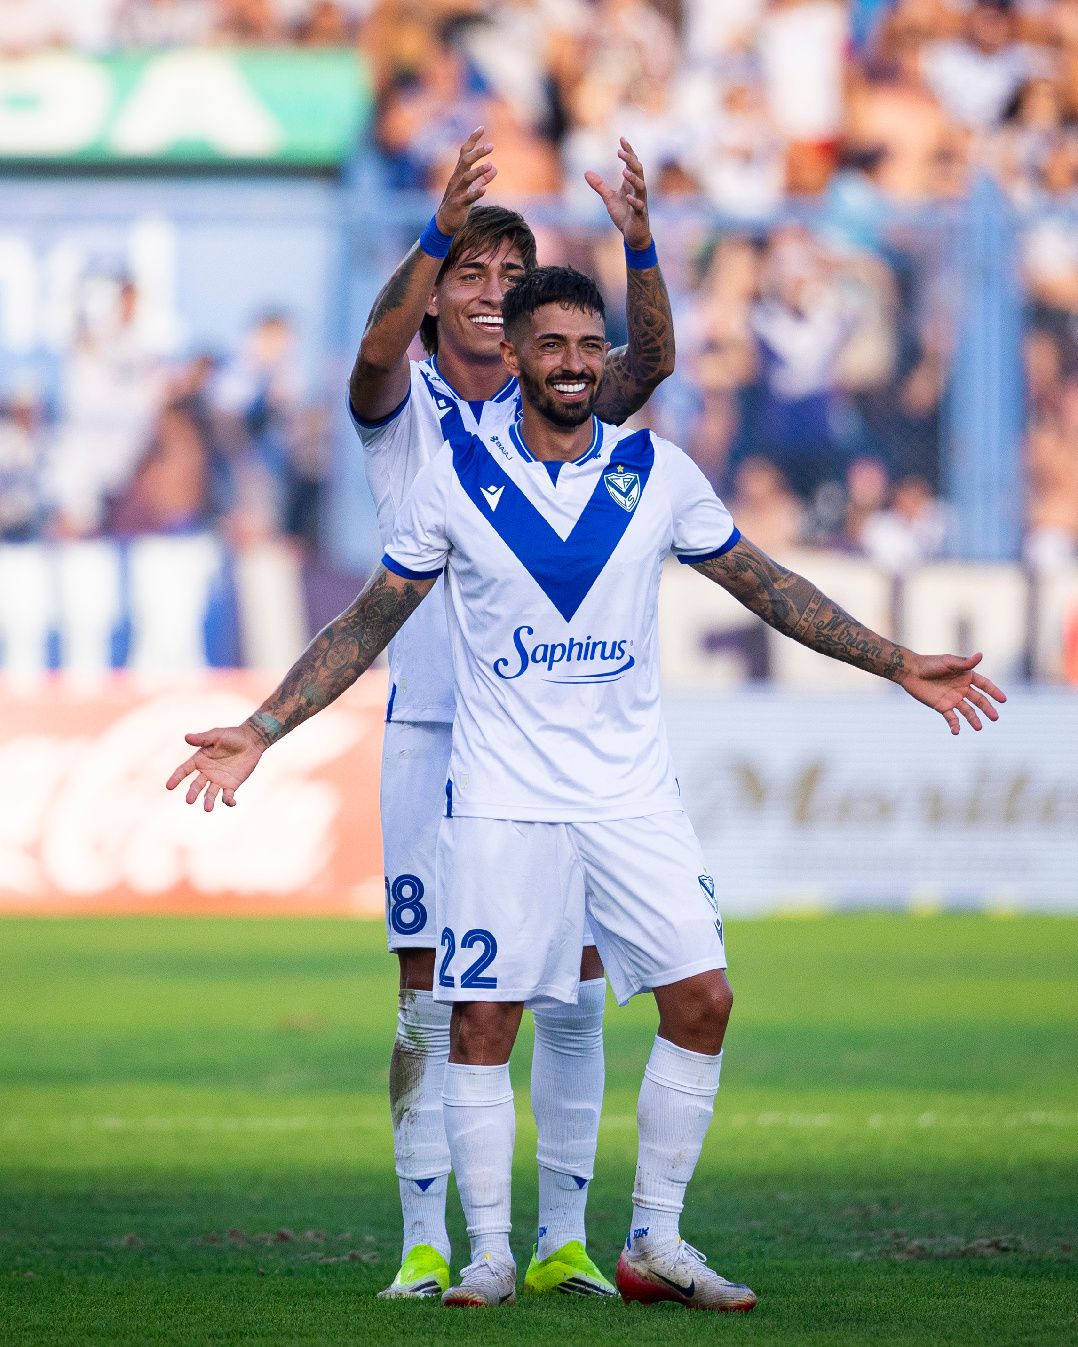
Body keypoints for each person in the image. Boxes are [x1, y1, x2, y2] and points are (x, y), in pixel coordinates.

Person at [167, 266, 1005, 1312]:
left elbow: (769, 586)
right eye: (551, 344)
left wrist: (896, 662)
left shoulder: (656, 470)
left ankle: (654, 1237)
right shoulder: (456, 480)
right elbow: (368, 619)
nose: (572, 364)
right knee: (481, 1024)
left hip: (631, 799)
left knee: (704, 1001)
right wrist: (262, 728)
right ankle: (488, 1253)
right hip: (502, 798)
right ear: (515, 354)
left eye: (586, 345)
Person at [346, 128, 676, 1299]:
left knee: (575, 989)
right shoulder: (402, 406)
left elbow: (651, 363)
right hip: (431, 734)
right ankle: (423, 1238)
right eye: (470, 274)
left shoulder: (553, 403)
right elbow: (373, 351)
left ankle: (561, 1240)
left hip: (548, 749)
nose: (491, 291)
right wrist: (435, 231)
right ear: (437, 297)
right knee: (427, 1001)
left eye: (510, 273)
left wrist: (640, 246)